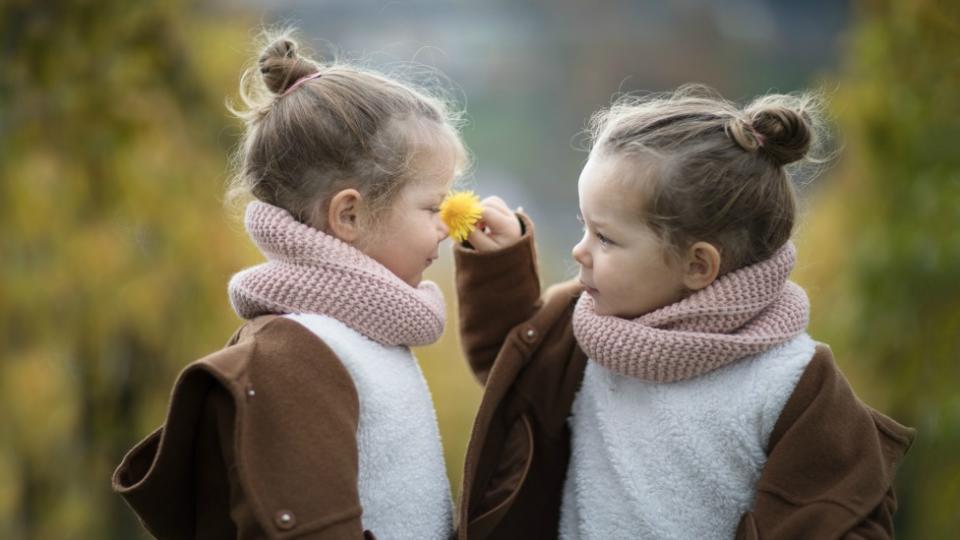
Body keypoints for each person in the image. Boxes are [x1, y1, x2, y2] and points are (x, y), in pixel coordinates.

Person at [453, 85, 915, 539]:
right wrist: (500, 267)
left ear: (697, 265)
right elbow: (510, 379)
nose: (579, 251)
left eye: (606, 238)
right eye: (583, 227)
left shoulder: (793, 383)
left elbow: (844, 521)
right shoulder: (586, 327)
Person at [112, 30, 467, 540]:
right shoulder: (296, 355)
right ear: (350, 215)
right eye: (432, 207)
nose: (445, 225)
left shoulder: (360, 334)